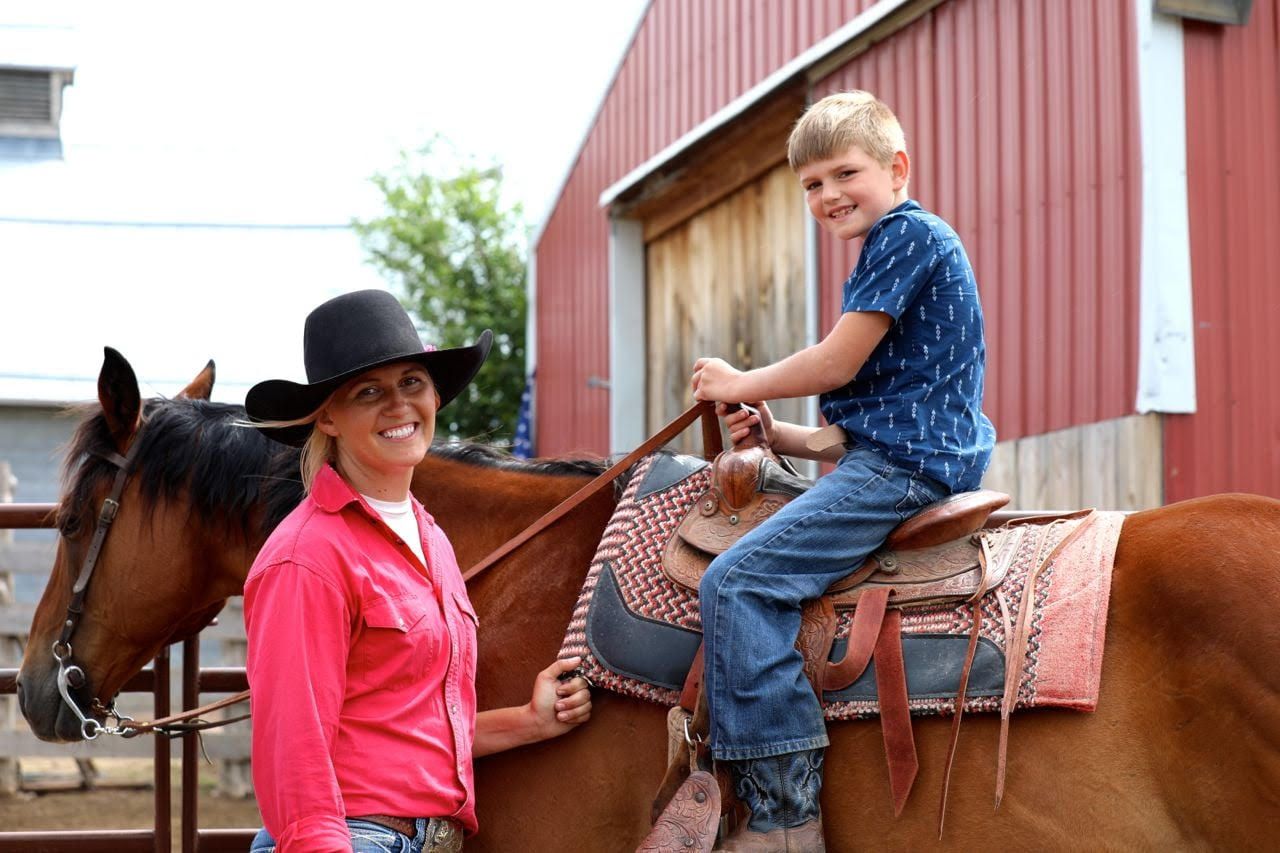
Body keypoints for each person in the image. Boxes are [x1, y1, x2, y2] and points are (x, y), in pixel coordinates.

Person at [689, 91, 995, 850]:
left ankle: (782, 813)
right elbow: (864, 421)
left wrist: (737, 380)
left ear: (897, 167)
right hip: (896, 456)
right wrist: (777, 431)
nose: (828, 195)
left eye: (844, 172)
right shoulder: (901, 245)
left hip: (900, 471)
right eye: (811, 185)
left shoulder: (906, 236)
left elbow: (836, 360)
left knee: (737, 581)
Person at [242, 289, 592, 852]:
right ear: (327, 417)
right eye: (368, 392)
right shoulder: (307, 556)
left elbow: (411, 730)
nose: (399, 405)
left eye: (411, 382)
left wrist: (531, 720)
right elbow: (294, 750)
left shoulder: (429, 538)